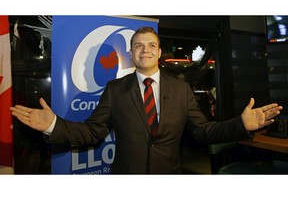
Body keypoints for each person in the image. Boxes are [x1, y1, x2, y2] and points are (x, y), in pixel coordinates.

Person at [10, 26, 283, 174]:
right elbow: (93, 132)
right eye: (138, 45)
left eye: (151, 45)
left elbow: (203, 131)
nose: (145, 50)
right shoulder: (115, 89)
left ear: (159, 51)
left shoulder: (181, 89)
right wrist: (53, 125)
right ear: (131, 53)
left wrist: (241, 124)